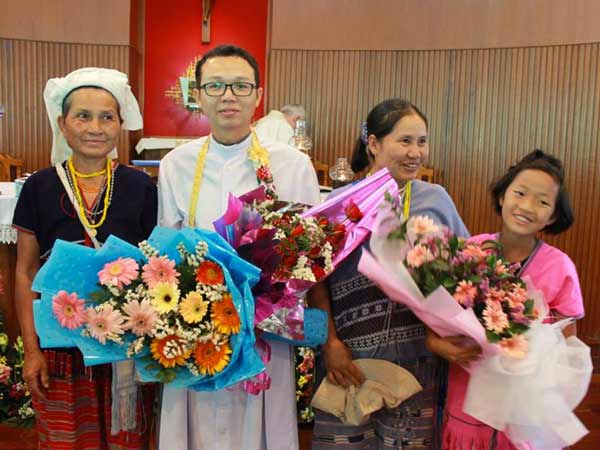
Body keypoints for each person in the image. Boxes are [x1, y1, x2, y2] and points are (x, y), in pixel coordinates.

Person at [157, 44, 320, 450]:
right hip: (196, 323)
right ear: (199, 96)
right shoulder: (176, 164)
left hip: (266, 327)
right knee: (196, 423)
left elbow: (310, 251)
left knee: (261, 424)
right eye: (215, 86)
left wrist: (270, 299)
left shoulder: (292, 165)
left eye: (240, 86)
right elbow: (166, 251)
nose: (228, 96)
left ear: (258, 95)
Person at [309, 98, 470, 450]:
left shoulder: (436, 199)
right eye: (405, 141)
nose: (416, 152)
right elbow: (315, 281)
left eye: (422, 141)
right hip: (349, 361)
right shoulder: (340, 204)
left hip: (418, 361)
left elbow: (464, 271)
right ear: (373, 143)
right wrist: (330, 344)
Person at [13, 68, 157, 449]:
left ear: (120, 124)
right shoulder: (39, 186)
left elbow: (157, 268)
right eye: (83, 116)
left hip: (124, 349)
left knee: (127, 441)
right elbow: (25, 271)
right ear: (62, 124)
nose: (95, 127)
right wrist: (32, 351)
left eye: (107, 117)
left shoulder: (140, 186)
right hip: (59, 350)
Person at [435, 149, 584, 450]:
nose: (527, 206)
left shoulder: (560, 267)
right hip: (468, 397)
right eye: (520, 193)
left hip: (525, 408)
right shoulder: (471, 251)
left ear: (553, 215)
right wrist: (437, 344)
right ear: (503, 196)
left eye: (543, 202)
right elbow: (438, 314)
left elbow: (568, 343)